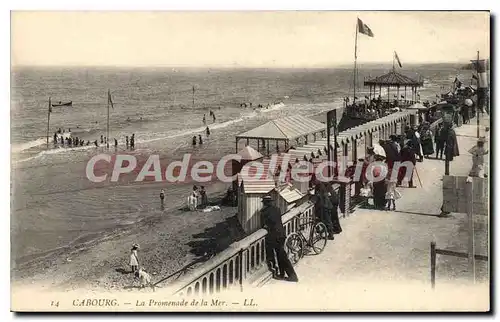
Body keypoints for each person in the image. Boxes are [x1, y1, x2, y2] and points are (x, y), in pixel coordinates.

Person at [260, 196, 298, 282]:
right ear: (271, 202)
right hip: (281, 234)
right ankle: (282, 274)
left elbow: (262, 225)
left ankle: (293, 276)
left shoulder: (263, 212)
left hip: (273, 236)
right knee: (280, 255)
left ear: (265, 203)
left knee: (282, 256)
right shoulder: (277, 209)